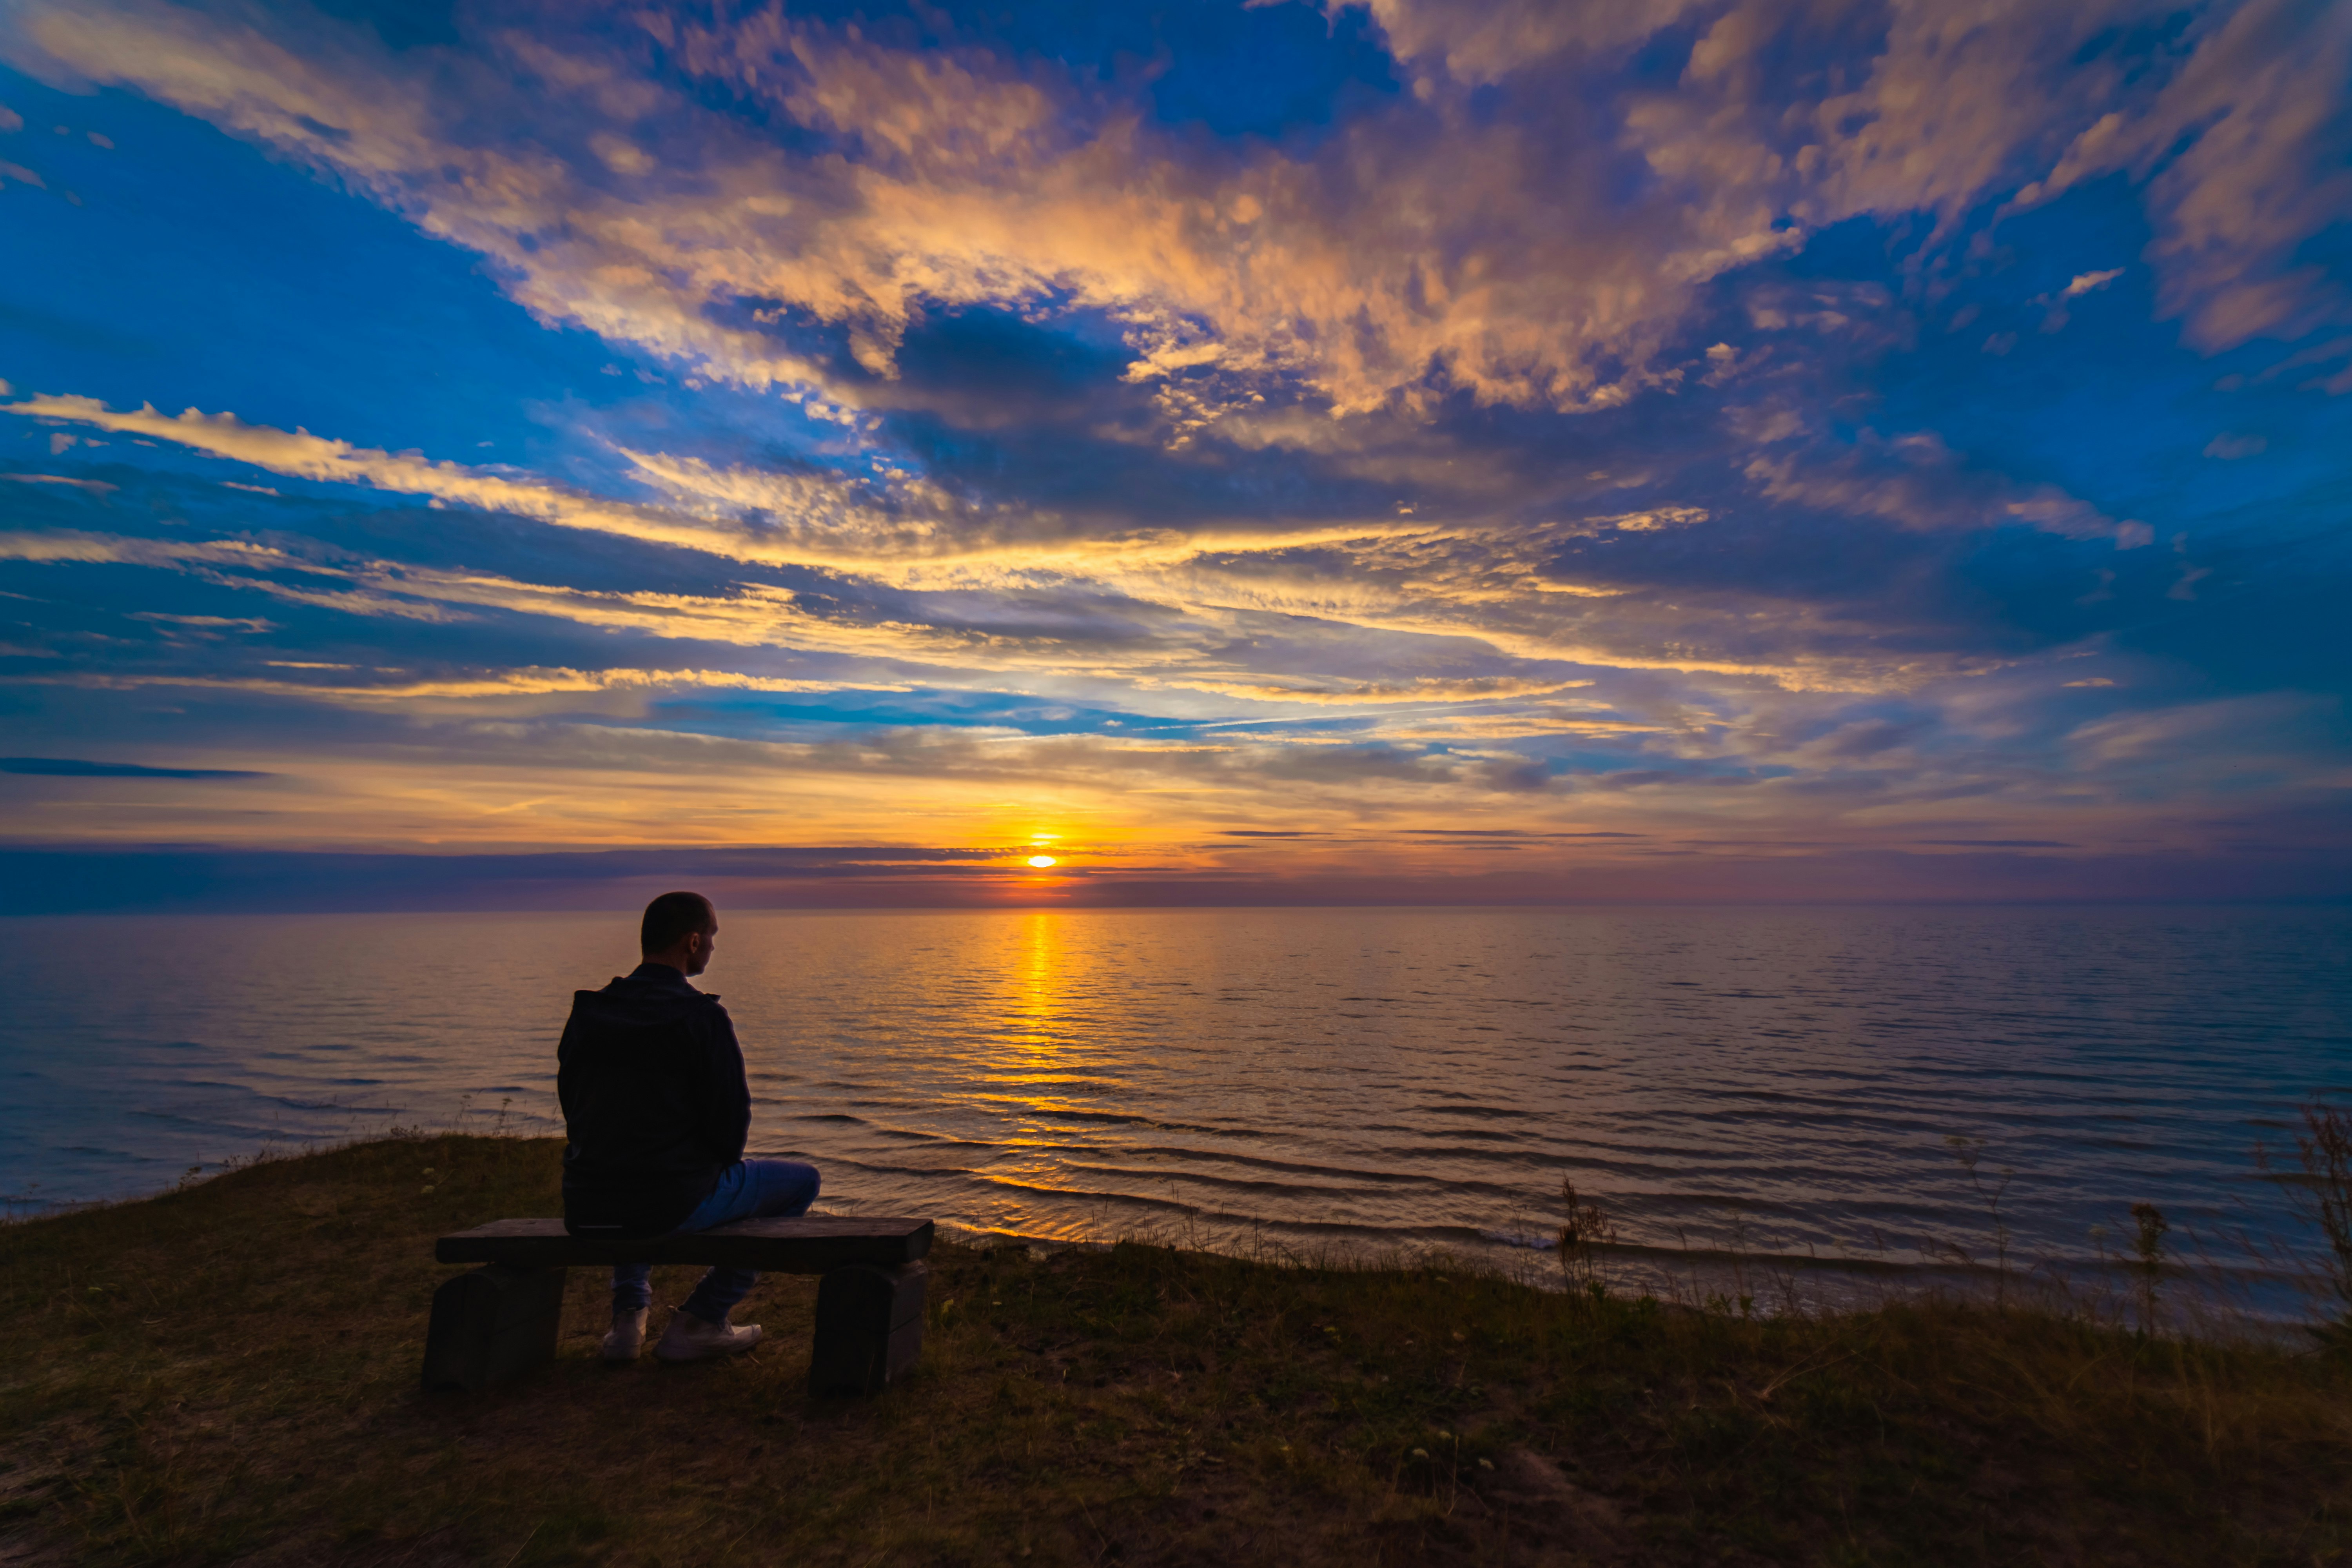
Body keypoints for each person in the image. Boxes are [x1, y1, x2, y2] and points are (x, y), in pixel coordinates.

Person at [557, 891, 820, 1363]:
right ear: (693, 941)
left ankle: (626, 1322)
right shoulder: (702, 1017)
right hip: (669, 1202)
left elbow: (574, 1109)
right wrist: (707, 1166)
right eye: (713, 937)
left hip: (586, 1200)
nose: (715, 948)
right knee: (803, 1182)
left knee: (630, 1163)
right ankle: (702, 1319)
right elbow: (731, 1125)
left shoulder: (589, 1012)